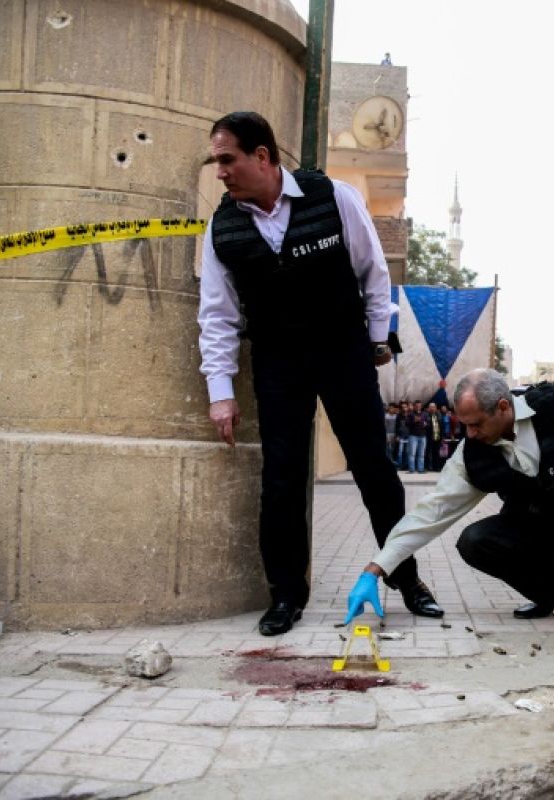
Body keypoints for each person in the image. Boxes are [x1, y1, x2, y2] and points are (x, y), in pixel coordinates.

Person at [197, 111, 443, 636]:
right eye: (216, 161)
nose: (220, 171)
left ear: (261, 156)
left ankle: (406, 578)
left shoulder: (334, 197)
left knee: (375, 470)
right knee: (281, 479)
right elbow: (216, 316)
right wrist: (220, 391)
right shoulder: (223, 226)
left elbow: (373, 272)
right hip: (278, 361)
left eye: (227, 159)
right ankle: (286, 593)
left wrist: (378, 338)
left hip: (342, 350)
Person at [345, 369, 554, 656]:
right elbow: (428, 516)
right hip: (547, 535)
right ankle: (552, 590)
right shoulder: (470, 457)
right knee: (474, 540)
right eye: (464, 425)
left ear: (503, 407)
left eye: (475, 424)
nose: (470, 434)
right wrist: (374, 570)